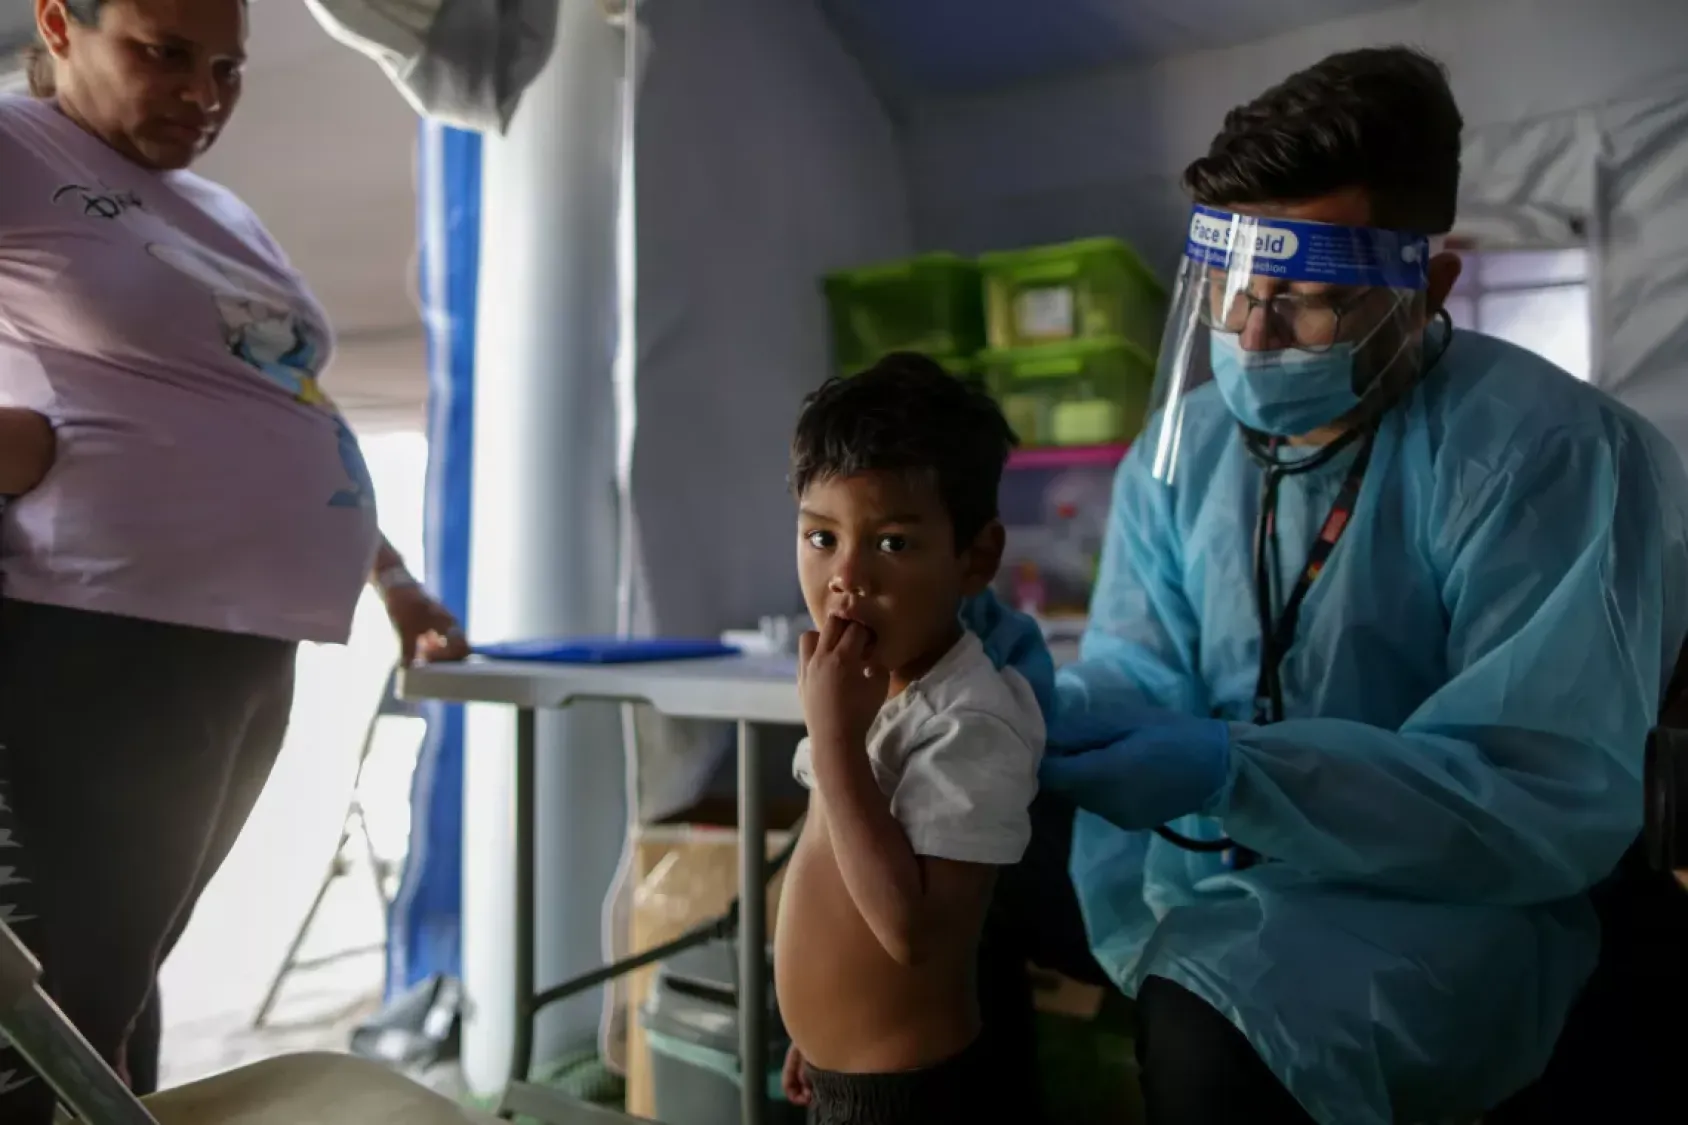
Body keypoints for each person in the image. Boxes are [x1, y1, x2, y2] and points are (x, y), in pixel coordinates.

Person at [991, 46, 1688, 1125]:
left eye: (1304, 300)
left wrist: (1237, 770)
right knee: (929, 839)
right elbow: (1139, 666)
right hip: (1212, 852)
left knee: (1211, 1021)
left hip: (1457, 897)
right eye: (1225, 293)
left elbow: (1530, 796)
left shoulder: (1551, 458)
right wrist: (1039, 707)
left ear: (1430, 285)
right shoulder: (1188, 447)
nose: (1252, 338)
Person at [0, 0, 470, 1116]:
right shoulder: (18, 148)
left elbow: (282, 400)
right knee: (57, 1008)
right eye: (162, 55)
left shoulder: (216, 208)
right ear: (62, 24)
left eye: (227, 69)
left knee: (120, 981)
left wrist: (390, 574)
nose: (203, 95)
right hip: (103, 634)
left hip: (246, 647)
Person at [775, 355, 1046, 1125]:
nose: (846, 578)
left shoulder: (969, 721)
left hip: (910, 1099)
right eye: (821, 536)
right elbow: (835, 866)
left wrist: (834, 740)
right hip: (843, 1072)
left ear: (976, 557)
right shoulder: (866, 686)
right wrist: (817, 1028)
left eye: (891, 543)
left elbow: (913, 932)